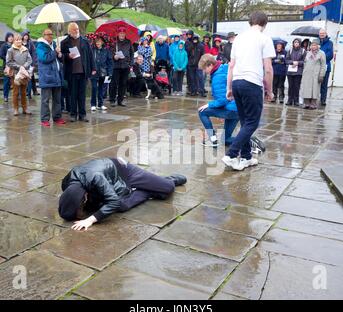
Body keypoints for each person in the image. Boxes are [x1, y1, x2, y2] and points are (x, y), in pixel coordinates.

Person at [58, 157, 187, 231]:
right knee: (120, 206)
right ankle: (147, 192)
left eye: (80, 210)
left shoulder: (95, 177)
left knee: (167, 188)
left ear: (84, 197)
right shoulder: (67, 183)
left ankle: (169, 180)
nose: (82, 213)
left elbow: (112, 201)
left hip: (124, 171)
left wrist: (90, 220)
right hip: (107, 181)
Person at [222, 11, 275, 171]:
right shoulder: (264, 39)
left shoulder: (238, 39)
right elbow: (268, 69)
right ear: (265, 24)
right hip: (252, 83)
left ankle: (246, 157)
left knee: (245, 122)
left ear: (250, 22)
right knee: (252, 122)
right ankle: (231, 154)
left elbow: (231, 65)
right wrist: (270, 90)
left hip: (237, 82)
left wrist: (229, 87)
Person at [198, 54, 239, 147]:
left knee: (202, 112)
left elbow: (223, 100)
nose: (204, 72)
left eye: (205, 69)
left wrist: (209, 105)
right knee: (226, 140)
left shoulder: (217, 77)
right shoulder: (224, 69)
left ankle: (213, 140)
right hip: (237, 109)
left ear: (210, 65)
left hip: (231, 109)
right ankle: (248, 141)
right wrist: (221, 112)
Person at [61, 22, 96, 122]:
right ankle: (73, 114)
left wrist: (93, 68)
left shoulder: (85, 41)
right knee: (72, 94)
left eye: (77, 29)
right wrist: (67, 56)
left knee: (82, 94)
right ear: (69, 31)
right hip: (71, 72)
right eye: (74, 30)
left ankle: (82, 114)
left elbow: (90, 55)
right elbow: (62, 57)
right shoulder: (65, 42)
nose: (76, 31)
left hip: (83, 72)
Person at [36, 29, 66, 127]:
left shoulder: (54, 44)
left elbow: (58, 59)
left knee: (57, 99)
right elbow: (45, 58)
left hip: (57, 75)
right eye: (48, 34)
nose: (50, 36)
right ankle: (44, 119)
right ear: (43, 35)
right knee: (45, 100)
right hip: (47, 76)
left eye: (51, 34)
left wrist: (60, 55)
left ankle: (57, 117)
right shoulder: (40, 46)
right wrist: (54, 52)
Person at [6, 33, 32, 116]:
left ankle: (25, 108)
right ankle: (16, 109)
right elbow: (8, 62)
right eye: (17, 40)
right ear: (14, 41)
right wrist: (19, 67)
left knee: (24, 92)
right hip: (15, 74)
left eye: (20, 39)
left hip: (24, 74)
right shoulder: (10, 50)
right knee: (16, 92)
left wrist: (24, 67)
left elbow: (29, 60)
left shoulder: (25, 49)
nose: (19, 41)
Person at [109, 27, 134, 107]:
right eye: (120, 33)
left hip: (125, 65)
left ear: (125, 34)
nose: (122, 35)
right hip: (116, 66)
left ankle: (120, 100)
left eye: (123, 33)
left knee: (123, 84)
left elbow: (132, 53)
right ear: (118, 34)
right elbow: (110, 52)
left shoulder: (128, 42)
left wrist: (131, 64)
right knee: (114, 83)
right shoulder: (114, 42)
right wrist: (114, 56)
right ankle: (112, 100)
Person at [300, 38, 326, 110]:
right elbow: (304, 63)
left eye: (315, 45)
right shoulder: (308, 53)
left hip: (316, 74)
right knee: (306, 89)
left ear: (318, 46)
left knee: (315, 89)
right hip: (307, 74)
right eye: (312, 45)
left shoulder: (321, 53)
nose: (313, 46)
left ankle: (313, 104)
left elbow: (323, 65)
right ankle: (306, 103)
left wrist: (321, 75)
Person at [90, 36, 113, 112]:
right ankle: (93, 104)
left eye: (99, 41)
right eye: (96, 41)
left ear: (102, 42)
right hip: (94, 72)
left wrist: (110, 73)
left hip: (103, 72)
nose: (98, 43)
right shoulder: (92, 50)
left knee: (101, 89)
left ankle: (100, 104)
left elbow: (110, 62)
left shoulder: (106, 51)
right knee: (94, 88)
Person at [285, 38, 306, 107]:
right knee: (290, 86)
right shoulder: (290, 50)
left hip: (298, 72)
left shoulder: (303, 51)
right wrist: (292, 62)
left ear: (300, 43)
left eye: (297, 42)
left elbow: (305, 61)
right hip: (290, 72)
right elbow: (286, 60)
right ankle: (289, 100)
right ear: (293, 43)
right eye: (295, 42)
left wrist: (298, 63)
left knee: (297, 86)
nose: (296, 44)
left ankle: (296, 100)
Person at [21, 30, 39, 99]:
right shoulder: (20, 43)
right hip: (22, 64)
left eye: (27, 36)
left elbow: (34, 53)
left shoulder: (30, 43)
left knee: (30, 78)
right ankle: (24, 92)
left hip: (30, 64)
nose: (26, 37)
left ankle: (29, 94)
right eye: (25, 35)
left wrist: (34, 63)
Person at [319, 29, 334, 106]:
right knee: (316, 84)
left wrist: (321, 58)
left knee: (324, 85)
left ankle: (323, 100)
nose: (321, 34)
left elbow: (330, 55)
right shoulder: (317, 42)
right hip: (316, 67)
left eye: (323, 33)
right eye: (320, 33)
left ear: (326, 34)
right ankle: (315, 99)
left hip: (326, 67)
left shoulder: (330, 43)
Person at [0, 32, 14, 102]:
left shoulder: (14, 45)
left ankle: (17, 96)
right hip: (7, 66)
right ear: (7, 38)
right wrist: (8, 58)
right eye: (9, 37)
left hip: (14, 65)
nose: (11, 38)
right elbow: (1, 55)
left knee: (15, 81)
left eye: (12, 37)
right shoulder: (4, 46)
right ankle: (5, 96)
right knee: (6, 82)